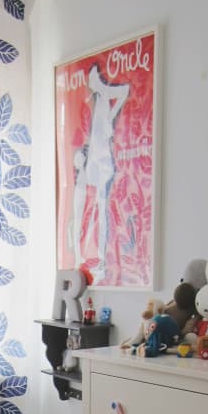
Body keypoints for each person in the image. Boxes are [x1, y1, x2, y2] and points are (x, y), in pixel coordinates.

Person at [72, 65, 129, 275]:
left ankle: (102, 261)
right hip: (93, 162)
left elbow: (124, 92)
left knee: (101, 211)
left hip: (103, 162)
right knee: (87, 211)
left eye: (93, 79)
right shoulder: (97, 99)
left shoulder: (105, 94)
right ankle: (82, 259)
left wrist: (112, 117)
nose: (91, 83)